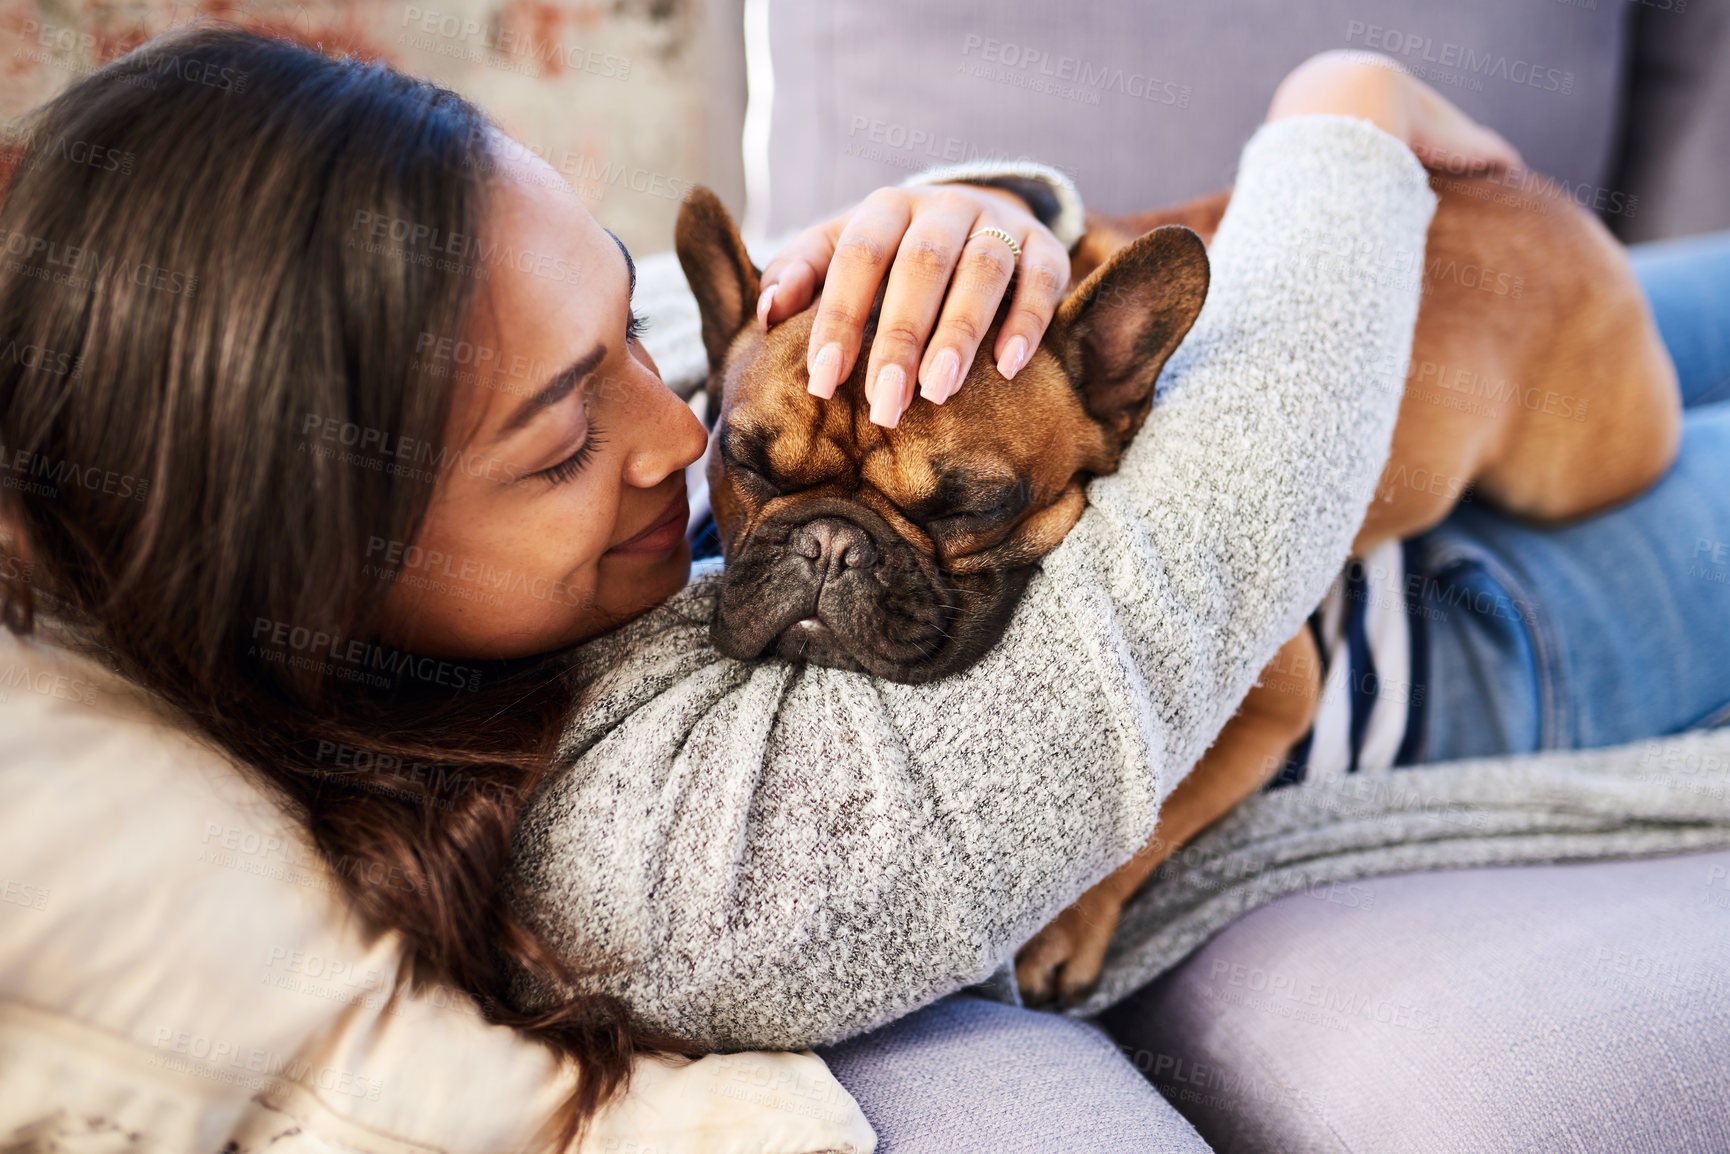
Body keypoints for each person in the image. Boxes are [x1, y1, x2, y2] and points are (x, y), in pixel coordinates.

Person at [1, 26, 1720, 1151]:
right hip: (1493, 609)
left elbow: (828, 365)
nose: (676, 422)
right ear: (323, 571)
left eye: (631, 325)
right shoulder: (680, 863)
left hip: (1443, 336)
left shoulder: (642, 473)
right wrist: (1347, 109)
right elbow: (1231, 533)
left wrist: (976, 233)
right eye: (559, 434)